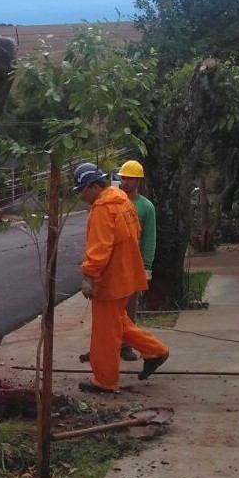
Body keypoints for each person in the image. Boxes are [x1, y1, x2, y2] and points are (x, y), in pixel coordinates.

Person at [73, 162, 169, 393]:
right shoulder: (122, 201)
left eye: (82, 190)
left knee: (106, 333)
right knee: (119, 322)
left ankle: (105, 381)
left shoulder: (104, 208)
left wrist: (89, 276)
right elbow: (134, 234)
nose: (81, 195)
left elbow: (99, 248)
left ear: (93, 186)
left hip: (111, 281)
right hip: (125, 275)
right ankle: (156, 351)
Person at [117, 159, 156, 361]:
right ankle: (107, 344)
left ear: (138, 180)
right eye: (123, 177)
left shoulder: (146, 207)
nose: (125, 181)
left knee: (129, 308)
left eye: (129, 178)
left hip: (133, 265)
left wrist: (147, 266)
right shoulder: (114, 202)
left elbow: (150, 237)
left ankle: (126, 345)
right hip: (115, 265)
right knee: (110, 309)